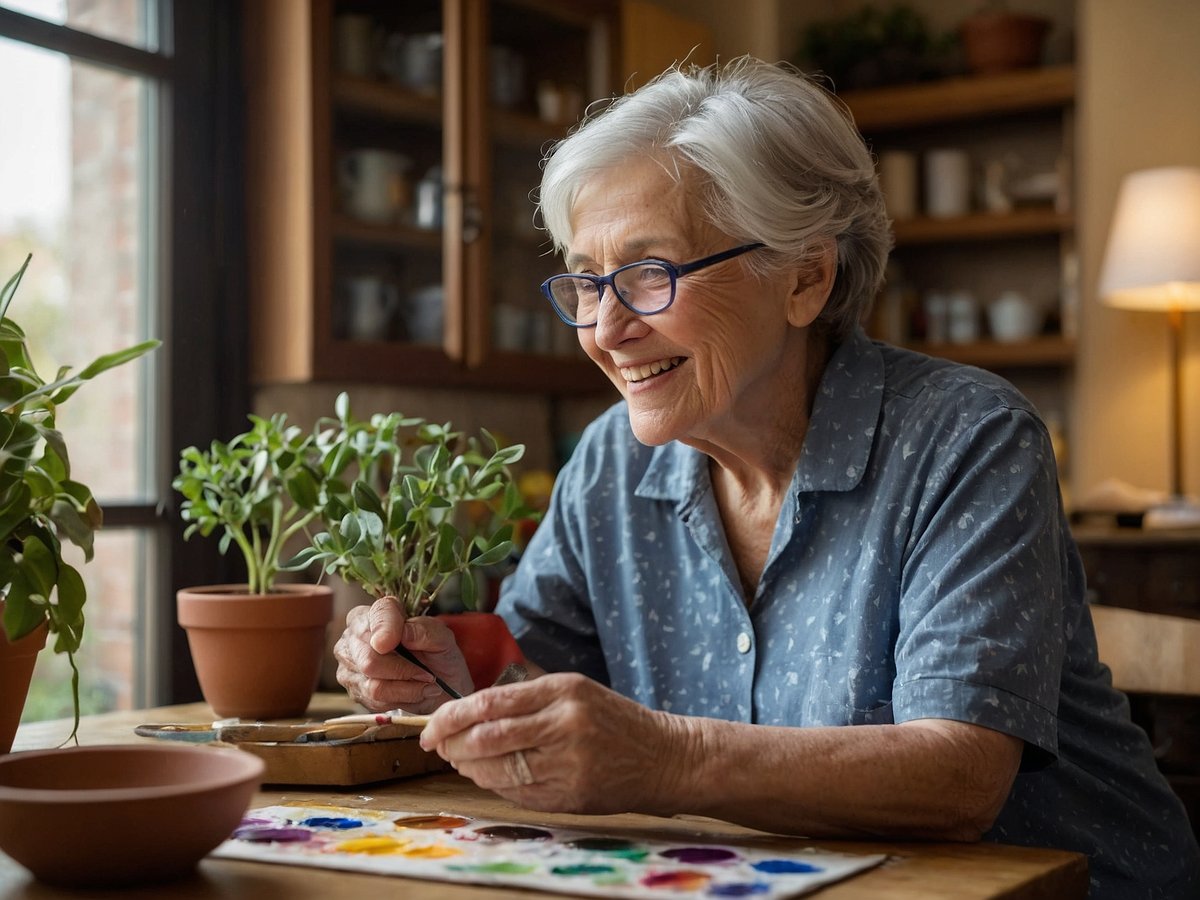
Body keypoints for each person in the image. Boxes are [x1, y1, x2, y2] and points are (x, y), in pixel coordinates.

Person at [334, 57, 1200, 898]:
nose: (605, 328)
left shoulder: (967, 439)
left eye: (647, 274)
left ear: (805, 277)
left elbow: (961, 775)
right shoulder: (608, 461)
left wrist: (666, 758)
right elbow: (537, 687)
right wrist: (448, 679)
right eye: (588, 283)